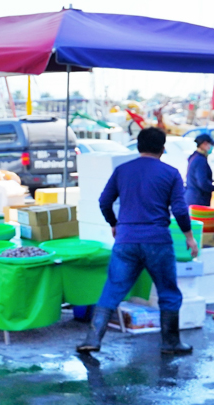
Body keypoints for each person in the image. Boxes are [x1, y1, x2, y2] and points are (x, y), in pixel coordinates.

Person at [78, 127, 198, 355]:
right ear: (163, 149)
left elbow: (104, 201)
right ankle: (170, 343)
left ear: (139, 146)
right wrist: (189, 238)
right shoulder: (171, 173)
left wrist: (114, 223)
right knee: (168, 291)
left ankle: (92, 339)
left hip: (126, 240)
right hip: (157, 241)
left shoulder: (122, 170)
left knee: (113, 288)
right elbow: (181, 210)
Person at [185, 133, 214, 207]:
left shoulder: (194, 157)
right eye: (210, 145)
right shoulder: (200, 160)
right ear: (204, 144)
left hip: (192, 198)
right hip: (198, 200)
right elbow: (203, 183)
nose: (211, 148)